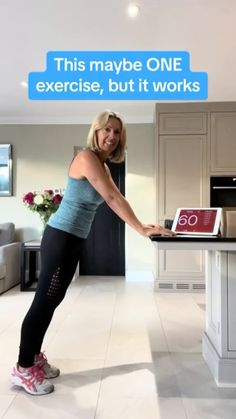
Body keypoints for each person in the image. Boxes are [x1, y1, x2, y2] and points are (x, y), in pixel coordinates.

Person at [11, 109, 174, 395]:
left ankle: (33, 356)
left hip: (73, 239)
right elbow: (111, 198)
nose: (112, 136)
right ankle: (23, 368)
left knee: (53, 300)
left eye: (117, 131)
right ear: (96, 132)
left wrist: (142, 223)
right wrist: (139, 229)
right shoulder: (86, 158)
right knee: (43, 302)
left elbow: (117, 196)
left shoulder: (103, 165)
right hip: (60, 237)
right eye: (106, 130)